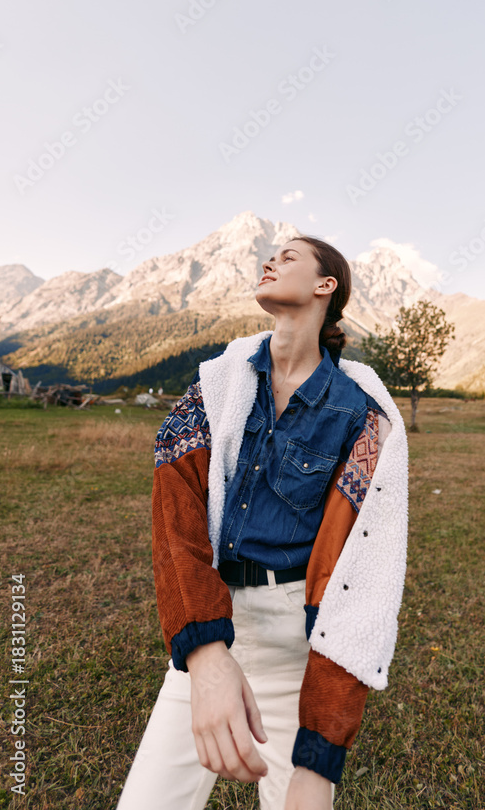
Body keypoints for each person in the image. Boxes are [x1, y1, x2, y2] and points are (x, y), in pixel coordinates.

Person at [115, 234, 409, 810]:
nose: (270, 260)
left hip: (297, 641)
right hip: (212, 620)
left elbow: (360, 584)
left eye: (290, 256)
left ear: (326, 286)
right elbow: (176, 518)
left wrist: (319, 759)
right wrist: (203, 654)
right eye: (270, 253)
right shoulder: (216, 383)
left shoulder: (363, 418)